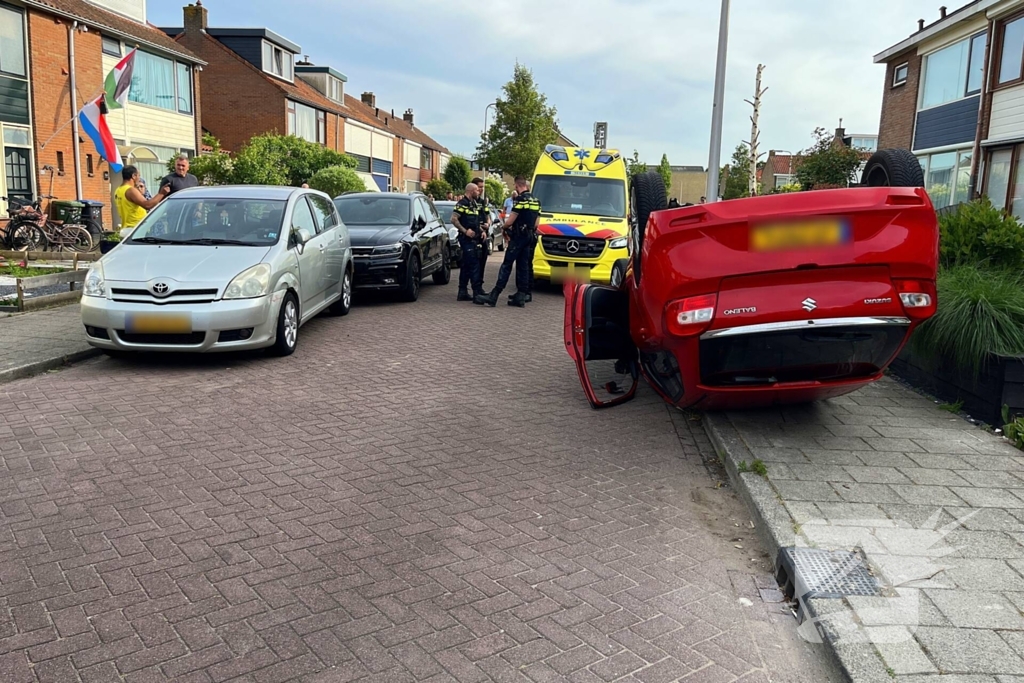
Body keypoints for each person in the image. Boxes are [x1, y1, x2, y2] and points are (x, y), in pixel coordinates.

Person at [474, 176, 540, 308]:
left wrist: (504, 228)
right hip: (529, 236)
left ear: (517, 186)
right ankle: (521, 296)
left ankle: (494, 295)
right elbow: (537, 221)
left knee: (507, 265)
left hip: (518, 237)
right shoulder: (536, 200)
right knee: (523, 266)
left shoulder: (520, 199)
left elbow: (511, 220)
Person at [451, 182, 486, 301]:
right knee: (474, 265)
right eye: (477, 190)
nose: (479, 192)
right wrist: (465, 231)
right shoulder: (462, 204)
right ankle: (477, 294)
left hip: (474, 238)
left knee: (466, 265)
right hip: (466, 239)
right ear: (471, 191)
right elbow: (454, 219)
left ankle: (462, 292)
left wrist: (481, 230)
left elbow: (475, 222)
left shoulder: (474, 204)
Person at [115, 165, 169, 231]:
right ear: (133, 176)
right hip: (135, 228)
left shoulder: (118, 189)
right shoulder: (131, 190)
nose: (139, 178)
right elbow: (147, 205)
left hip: (126, 228)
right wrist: (161, 193)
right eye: (138, 175)